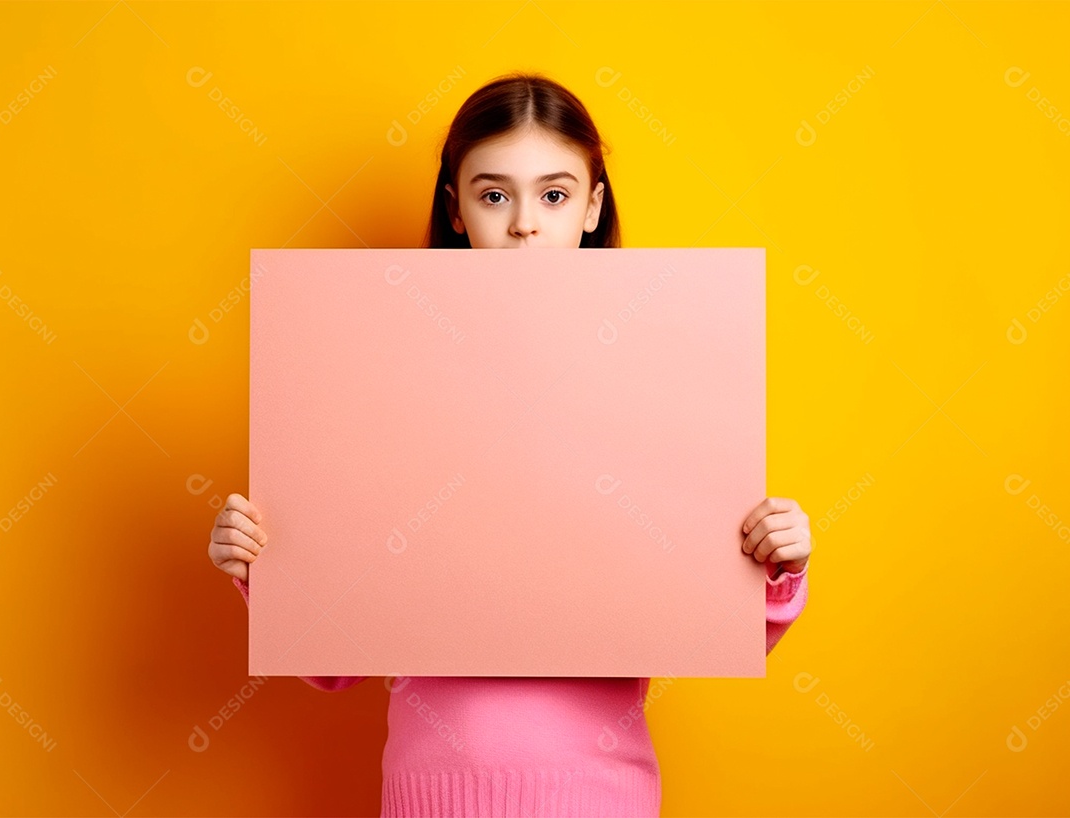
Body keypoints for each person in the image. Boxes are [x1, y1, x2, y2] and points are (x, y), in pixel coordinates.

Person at [208, 70, 811, 818]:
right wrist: (267, 568)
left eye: (553, 195)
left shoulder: (658, 383)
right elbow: (333, 665)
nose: (525, 223)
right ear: (455, 208)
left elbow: (716, 626)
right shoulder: (385, 387)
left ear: (592, 206)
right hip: (430, 797)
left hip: (602, 797)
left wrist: (776, 563)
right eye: (494, 195)